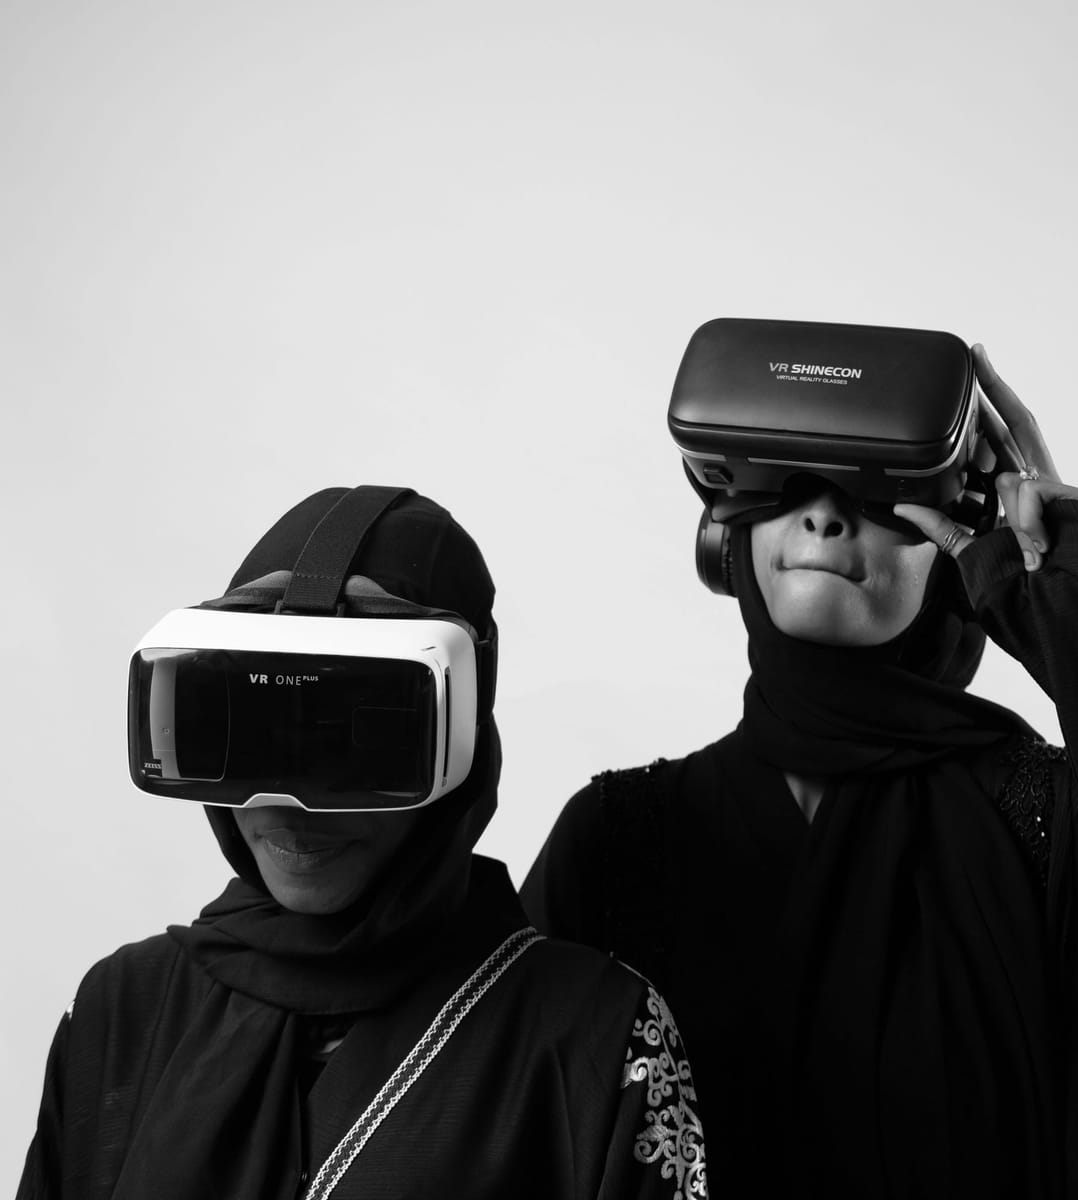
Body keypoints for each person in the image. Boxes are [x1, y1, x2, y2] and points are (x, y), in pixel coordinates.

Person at [521, 344, 1078, 1198]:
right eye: (783, 480)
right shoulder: (614, 837)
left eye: (882, 489)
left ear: (959, 549)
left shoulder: (1062, 823)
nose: (823, 515)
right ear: (726, 536)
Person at [19, 485, 707, 1200]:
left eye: (353, 738)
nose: (292, 803)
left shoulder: (596, 1037)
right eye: (253, 734)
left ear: (459, 736)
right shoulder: (120, 1010)